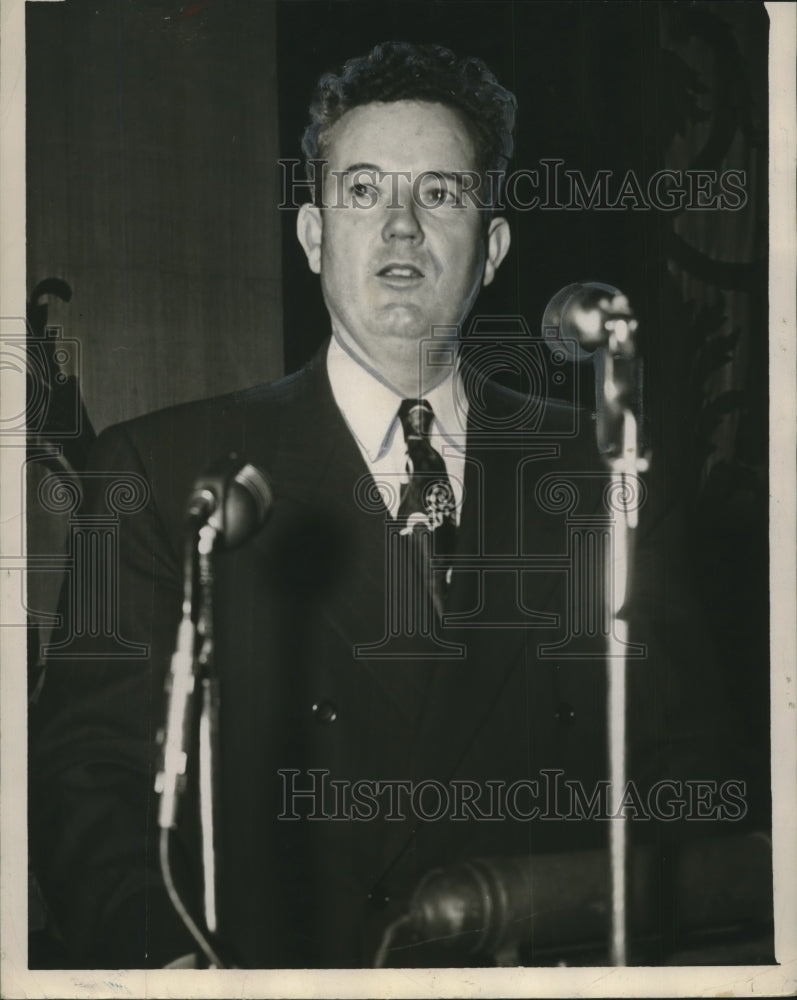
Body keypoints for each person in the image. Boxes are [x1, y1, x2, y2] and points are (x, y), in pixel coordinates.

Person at [29, 41, 753, 970]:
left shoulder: (600, 469)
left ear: (490, 249)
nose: (402, 227)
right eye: (364, 191)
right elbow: (87, 778)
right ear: (313, 237)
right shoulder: (166, 474)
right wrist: (171, 968)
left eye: (441, 194)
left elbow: (688, 766)